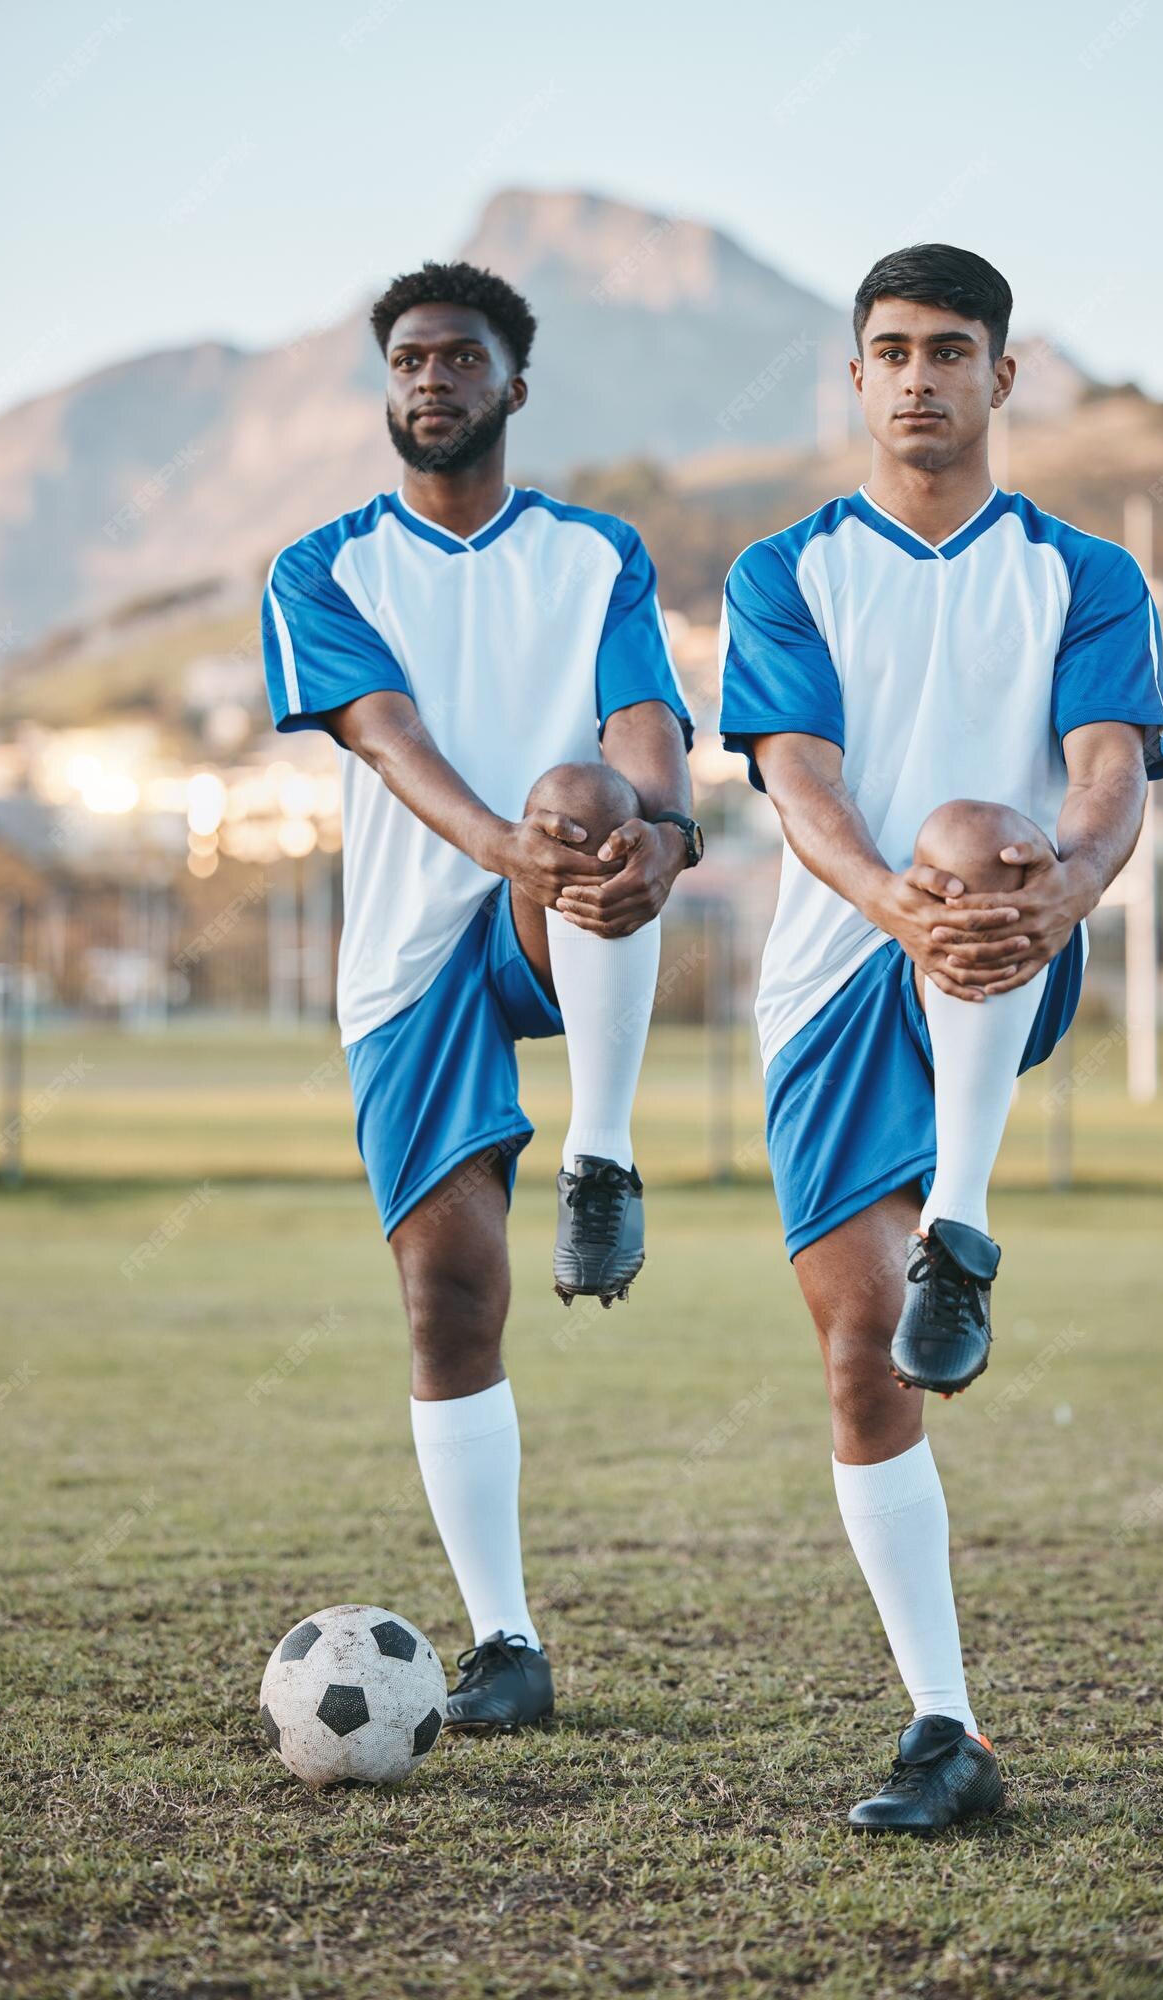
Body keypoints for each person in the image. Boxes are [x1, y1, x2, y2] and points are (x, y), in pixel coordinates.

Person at [718, 242, 1163, 1831]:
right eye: (891, 349)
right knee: (858, 1357)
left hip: (1005, 932)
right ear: (855, 379)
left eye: (951, 348)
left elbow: (1105, 776)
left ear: (1003, 373)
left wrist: (1074, 894)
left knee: (983, 826)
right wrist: (892, 911)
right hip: (836, 976)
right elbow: (803, 790)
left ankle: (962, 1231)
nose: (920, 374)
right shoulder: (784, 571)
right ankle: (945, 1732)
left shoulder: (1083, 573)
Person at [262, 260, 701, 1730]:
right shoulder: (323, 567)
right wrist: (510, 838)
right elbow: (384, 737)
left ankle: (603, 1155)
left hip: (555, 896)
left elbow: (645, 731)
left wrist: (666, 827)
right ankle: (505, 1640)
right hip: (410, 950)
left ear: (514, 384)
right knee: (449, 1298)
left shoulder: (592, 555)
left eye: (458, 358)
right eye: (406, 360)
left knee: (595, 788)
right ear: (387, 387)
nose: (430, 380)